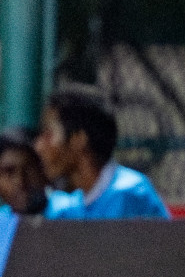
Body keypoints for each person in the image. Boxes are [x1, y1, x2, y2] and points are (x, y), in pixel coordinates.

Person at [37, 90, 170, 220]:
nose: (38, 146)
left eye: (48, 135)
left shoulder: (128, 195)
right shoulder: (70, 205)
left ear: (79, 140)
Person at [0, 129, 48, 216]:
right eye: (9, 172)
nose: (20, 181)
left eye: (29, 170)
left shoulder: (70, 212)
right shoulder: (2, 221)